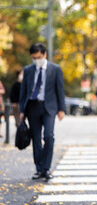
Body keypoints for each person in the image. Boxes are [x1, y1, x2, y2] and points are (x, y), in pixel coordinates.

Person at [19, 43, 65, 181]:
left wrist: (62, 109)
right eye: (34, 57)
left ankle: (46, 167)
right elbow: (24, 91)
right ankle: (39, 169)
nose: (36, 60)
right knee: (36, 139)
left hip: (49, 107)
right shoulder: (28, 70)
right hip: (32, 107)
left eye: (38, 57)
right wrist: (22, 110)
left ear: (44, 54)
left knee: (49, 136)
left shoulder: (55, 69)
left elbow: (60, 90)